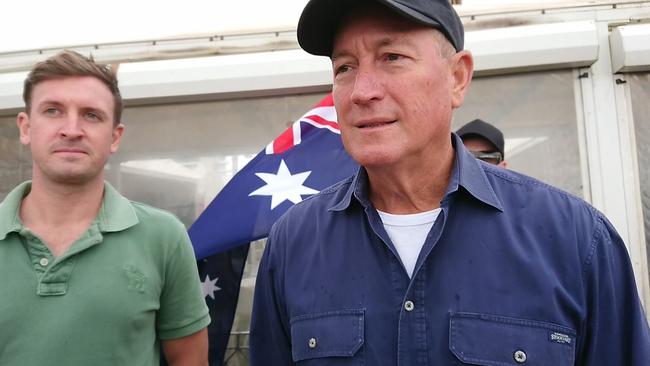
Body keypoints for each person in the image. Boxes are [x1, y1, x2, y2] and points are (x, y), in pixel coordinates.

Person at [250, 0, 650, 365]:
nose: (362, 91)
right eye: (345, 68)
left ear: (457, 78)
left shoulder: (577, 241)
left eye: (392, 57)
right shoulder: (293, 245)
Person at [0, 50, 210, 366]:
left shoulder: (163, 238)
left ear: (114, 136)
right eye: (53, 110)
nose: (71, 129)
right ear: (26, 127)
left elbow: (190, 361)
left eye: (91, 115)